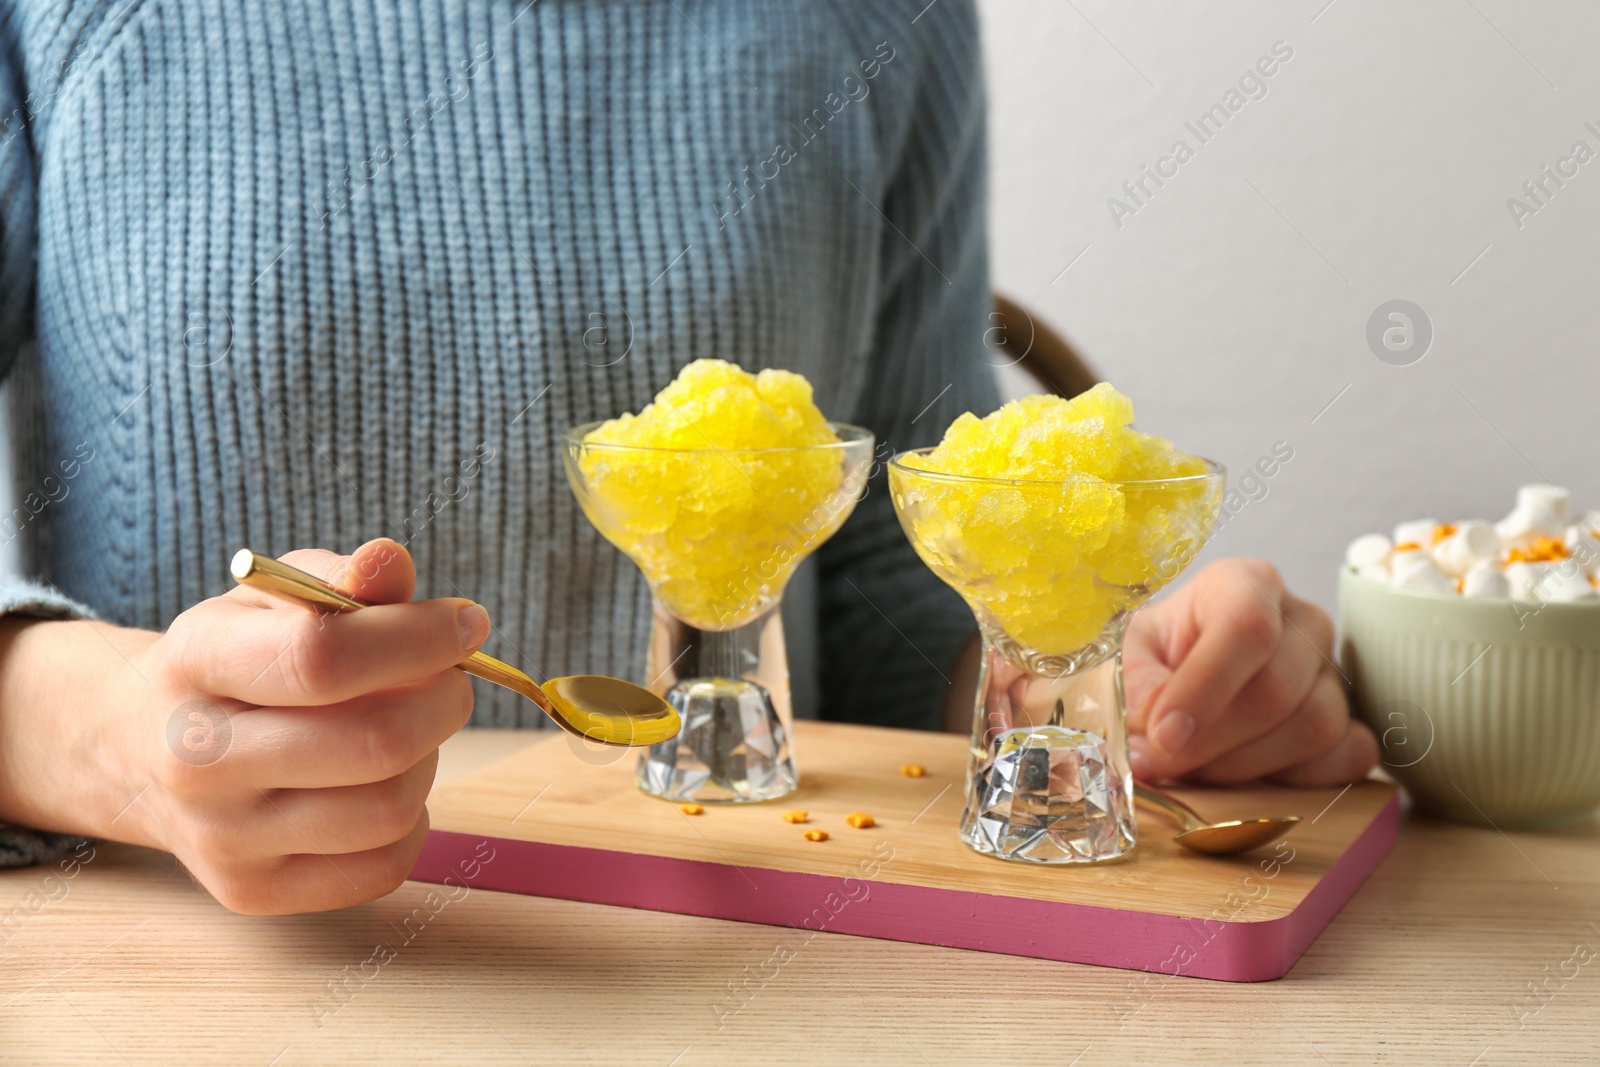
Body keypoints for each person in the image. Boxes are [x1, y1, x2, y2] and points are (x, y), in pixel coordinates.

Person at [0, 0, 1375, 913]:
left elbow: (888, 593)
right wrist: (112, 736)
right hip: (167, 975)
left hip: (744, 948)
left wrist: (1096, 667)